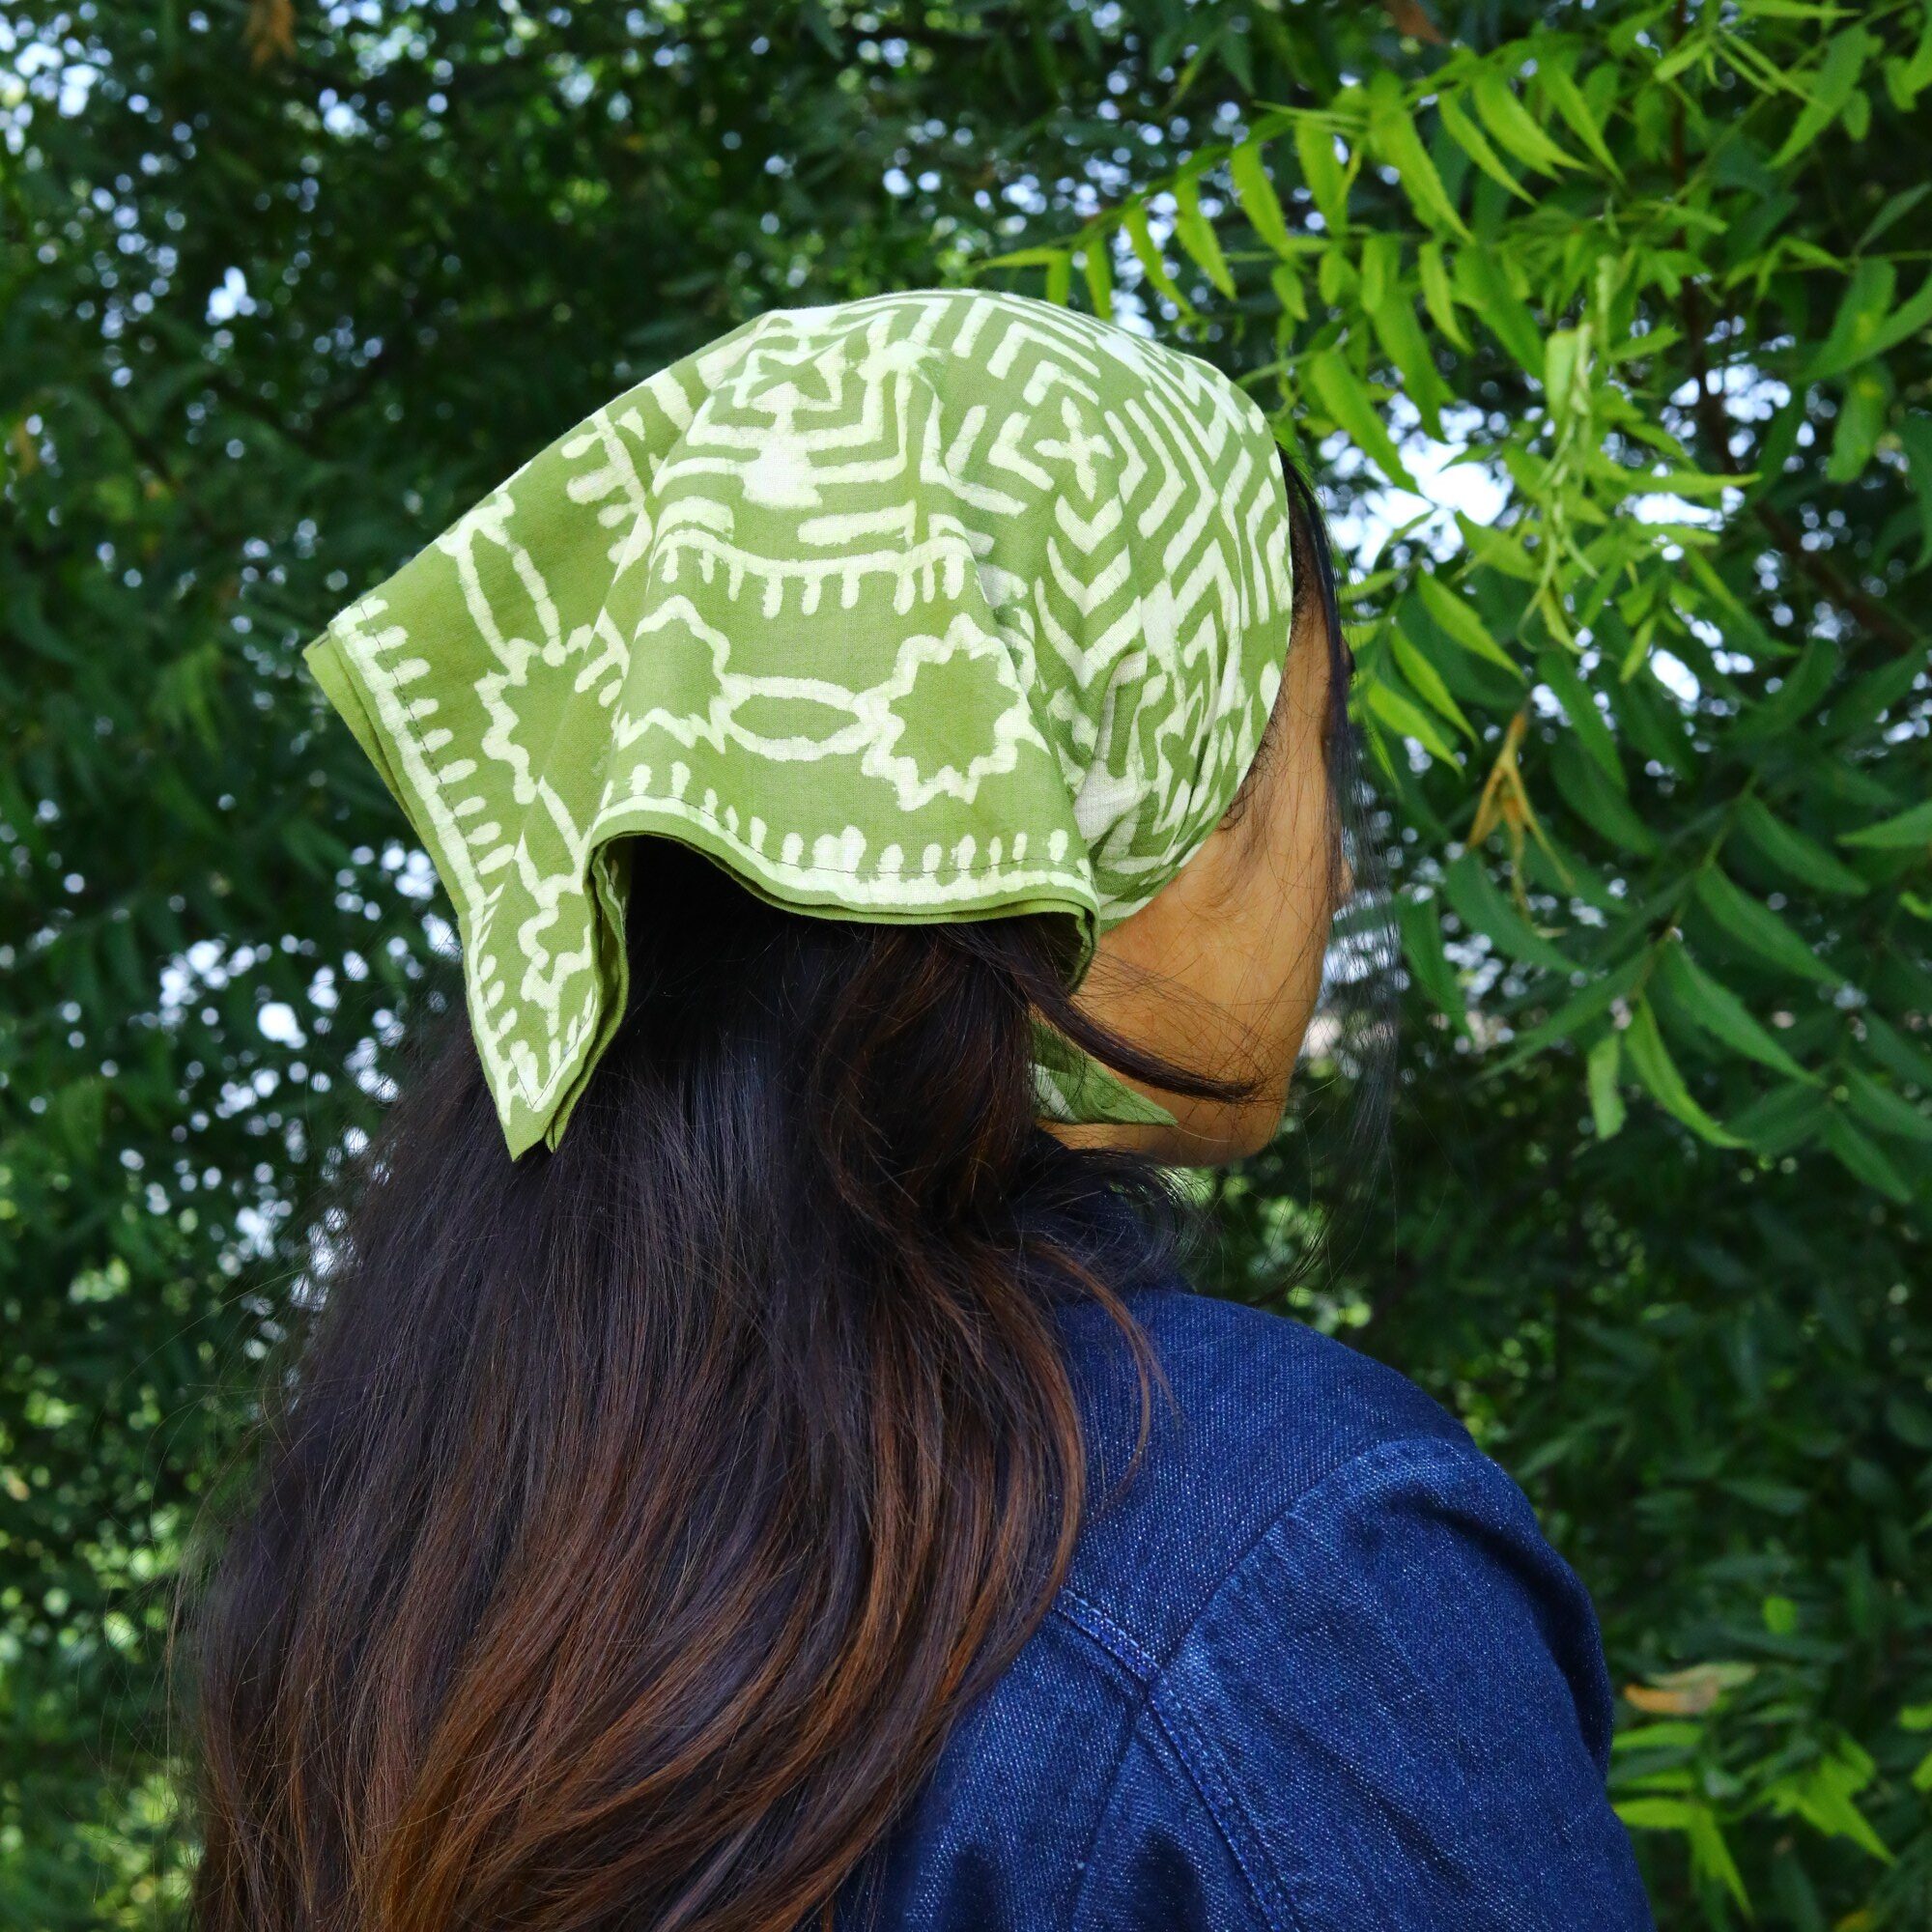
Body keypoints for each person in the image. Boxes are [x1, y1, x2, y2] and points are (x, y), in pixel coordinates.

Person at [185, 290, 1652, 1930]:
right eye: (1308, 742)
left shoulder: (409, 1540)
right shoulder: (1286, 1574)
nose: (1343, 862)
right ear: (1109, 800)